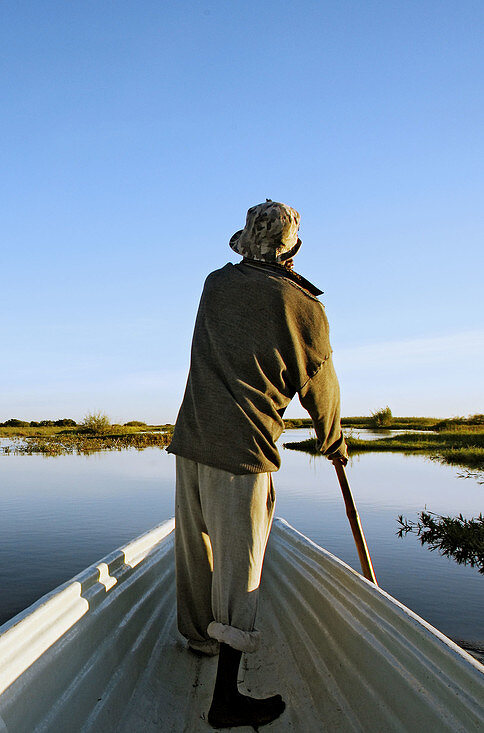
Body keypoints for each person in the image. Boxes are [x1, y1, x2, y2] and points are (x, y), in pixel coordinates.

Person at [166, 200, 348, 728]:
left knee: (196, 550)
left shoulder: (214, 284)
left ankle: (199, 639)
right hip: (243, 454)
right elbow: (322, 388)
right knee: (240, 570)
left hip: (191, 441)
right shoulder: (304, 307)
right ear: (291, 246)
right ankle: (225, 697)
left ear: (247, 242)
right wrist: (332, 441)